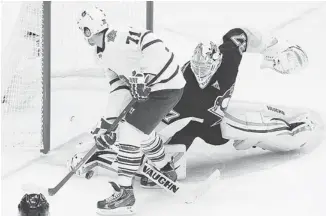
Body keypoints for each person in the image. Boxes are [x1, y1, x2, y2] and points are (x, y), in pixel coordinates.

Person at [74, 6, 186, 215]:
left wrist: (146, 76)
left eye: (85, 29)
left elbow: (152, 42)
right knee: (142, 134)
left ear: (92, 28)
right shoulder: (100, 56)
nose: (85, 35)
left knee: (129, 133)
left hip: (167, 86)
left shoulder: (119, 36)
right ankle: (166, 169)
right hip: (152, 91)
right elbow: (118, 87)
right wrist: (107, 125)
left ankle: (125, 193)